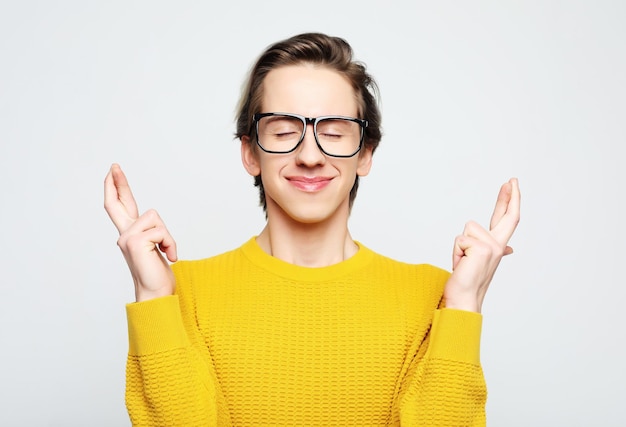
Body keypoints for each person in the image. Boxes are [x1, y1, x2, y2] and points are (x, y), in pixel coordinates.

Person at [104, 32, 520, 427]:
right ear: (250, 153)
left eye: (335, 133)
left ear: (365, 154)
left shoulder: (435, 297)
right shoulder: (181, 292)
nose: (309, 155)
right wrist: (154, 297)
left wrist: (464, 304)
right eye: (284, 132)